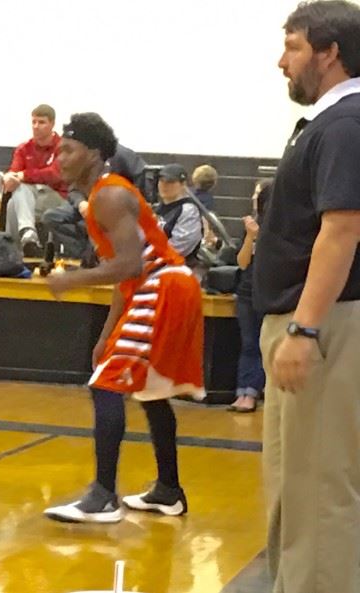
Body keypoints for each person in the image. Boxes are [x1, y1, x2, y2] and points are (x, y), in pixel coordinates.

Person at [42, 113, 204, 524]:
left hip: (163, 286)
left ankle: (103, 496)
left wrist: (71, 280)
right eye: (59, 149)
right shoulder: (103, 195)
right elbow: (125, 274)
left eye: (69, 150)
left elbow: (130, 267)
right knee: (149, 391)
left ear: (94, 154)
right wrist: (106, 332)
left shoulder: (109, 196)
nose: (60, 158)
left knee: (106, 384)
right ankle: (168, 490)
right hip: (161, 287)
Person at [253, 2, 360, 591]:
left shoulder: (346, 124)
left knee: (318, 493)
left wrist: (306, 329)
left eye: (292, 46)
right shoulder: (328, 123)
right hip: (305, 326)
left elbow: (343, 229)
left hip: (324, 328)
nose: (282, 61)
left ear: (329, 52)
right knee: (295, 490)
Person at [1, 104, 68, 255]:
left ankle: (16, 248)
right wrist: (9, 178)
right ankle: (27, 242)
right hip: (30, 198)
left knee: (18, 197)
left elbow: (55, 175)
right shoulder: (24, 148)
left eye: (41, 122)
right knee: (13, 202)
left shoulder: (63, 146)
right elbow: (14, 171)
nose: (36, 126)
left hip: (57, 197)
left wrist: (24, 175)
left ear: (52, 124)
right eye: (34, 122)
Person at [228, 180, 270, 413]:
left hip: (269, 291)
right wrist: (250, 237)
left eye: (259, 194)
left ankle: (253, 393)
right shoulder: (249, 225)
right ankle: (241, 391)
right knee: (248, 344)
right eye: (254, 193)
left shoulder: (278, 224)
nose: (255, 197)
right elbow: (242, 262)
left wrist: (260, 235)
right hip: (246, 291)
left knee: (263, 344)